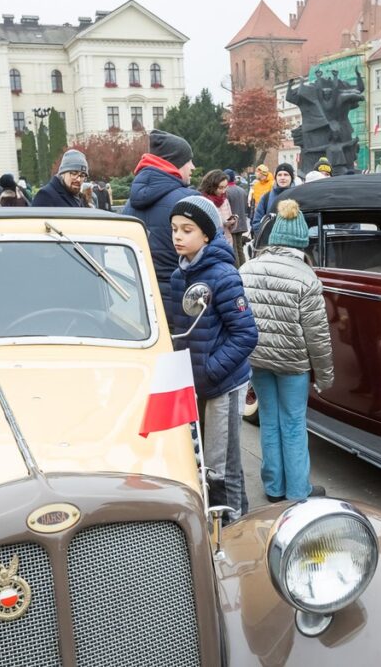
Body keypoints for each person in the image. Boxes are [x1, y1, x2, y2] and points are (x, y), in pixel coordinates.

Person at [168, 195, 257, 522]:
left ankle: (235, 527)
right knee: (199, 458)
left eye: (187, 230)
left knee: (224, 465)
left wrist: (211, 370)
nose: (178, 236)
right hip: (194, 385)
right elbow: (181, 329)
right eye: (175, 229)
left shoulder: (223, 274)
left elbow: (246, 333)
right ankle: (212, 522)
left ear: (206, 234)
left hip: (223, 384)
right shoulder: (179, 276)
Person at [240, 198, 332, 502]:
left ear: (276, 236)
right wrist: (325, 376)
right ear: (302, 241)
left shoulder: (248, 269)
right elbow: (317, 335)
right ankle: (297, 490)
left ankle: (273, 487)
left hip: (258, 358)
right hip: (293, 364)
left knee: (269, 418)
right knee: (293, 423)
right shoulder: (307, 278)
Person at [124, 129, 196, 306]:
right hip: (186, 304)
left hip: (145, 302)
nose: (193, 167)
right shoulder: (190, 201)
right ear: (176, 163)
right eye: (188, 161)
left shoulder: (127, 207)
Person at [251, 163, 296, 234]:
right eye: (279, 175)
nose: (282, 178)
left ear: (292, 177)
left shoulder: (298, 195)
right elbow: (257, 222)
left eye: (286, 175)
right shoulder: (266, 197)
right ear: (276, 177)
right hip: (270, 242)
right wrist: (265, 238)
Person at [224, 169, 250, 265]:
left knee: (234, 249)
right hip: (242, 222)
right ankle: (243, 268)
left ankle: (238, 270)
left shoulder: (226, 192)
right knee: (240, 249)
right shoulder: (242, 190)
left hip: (233, 224)